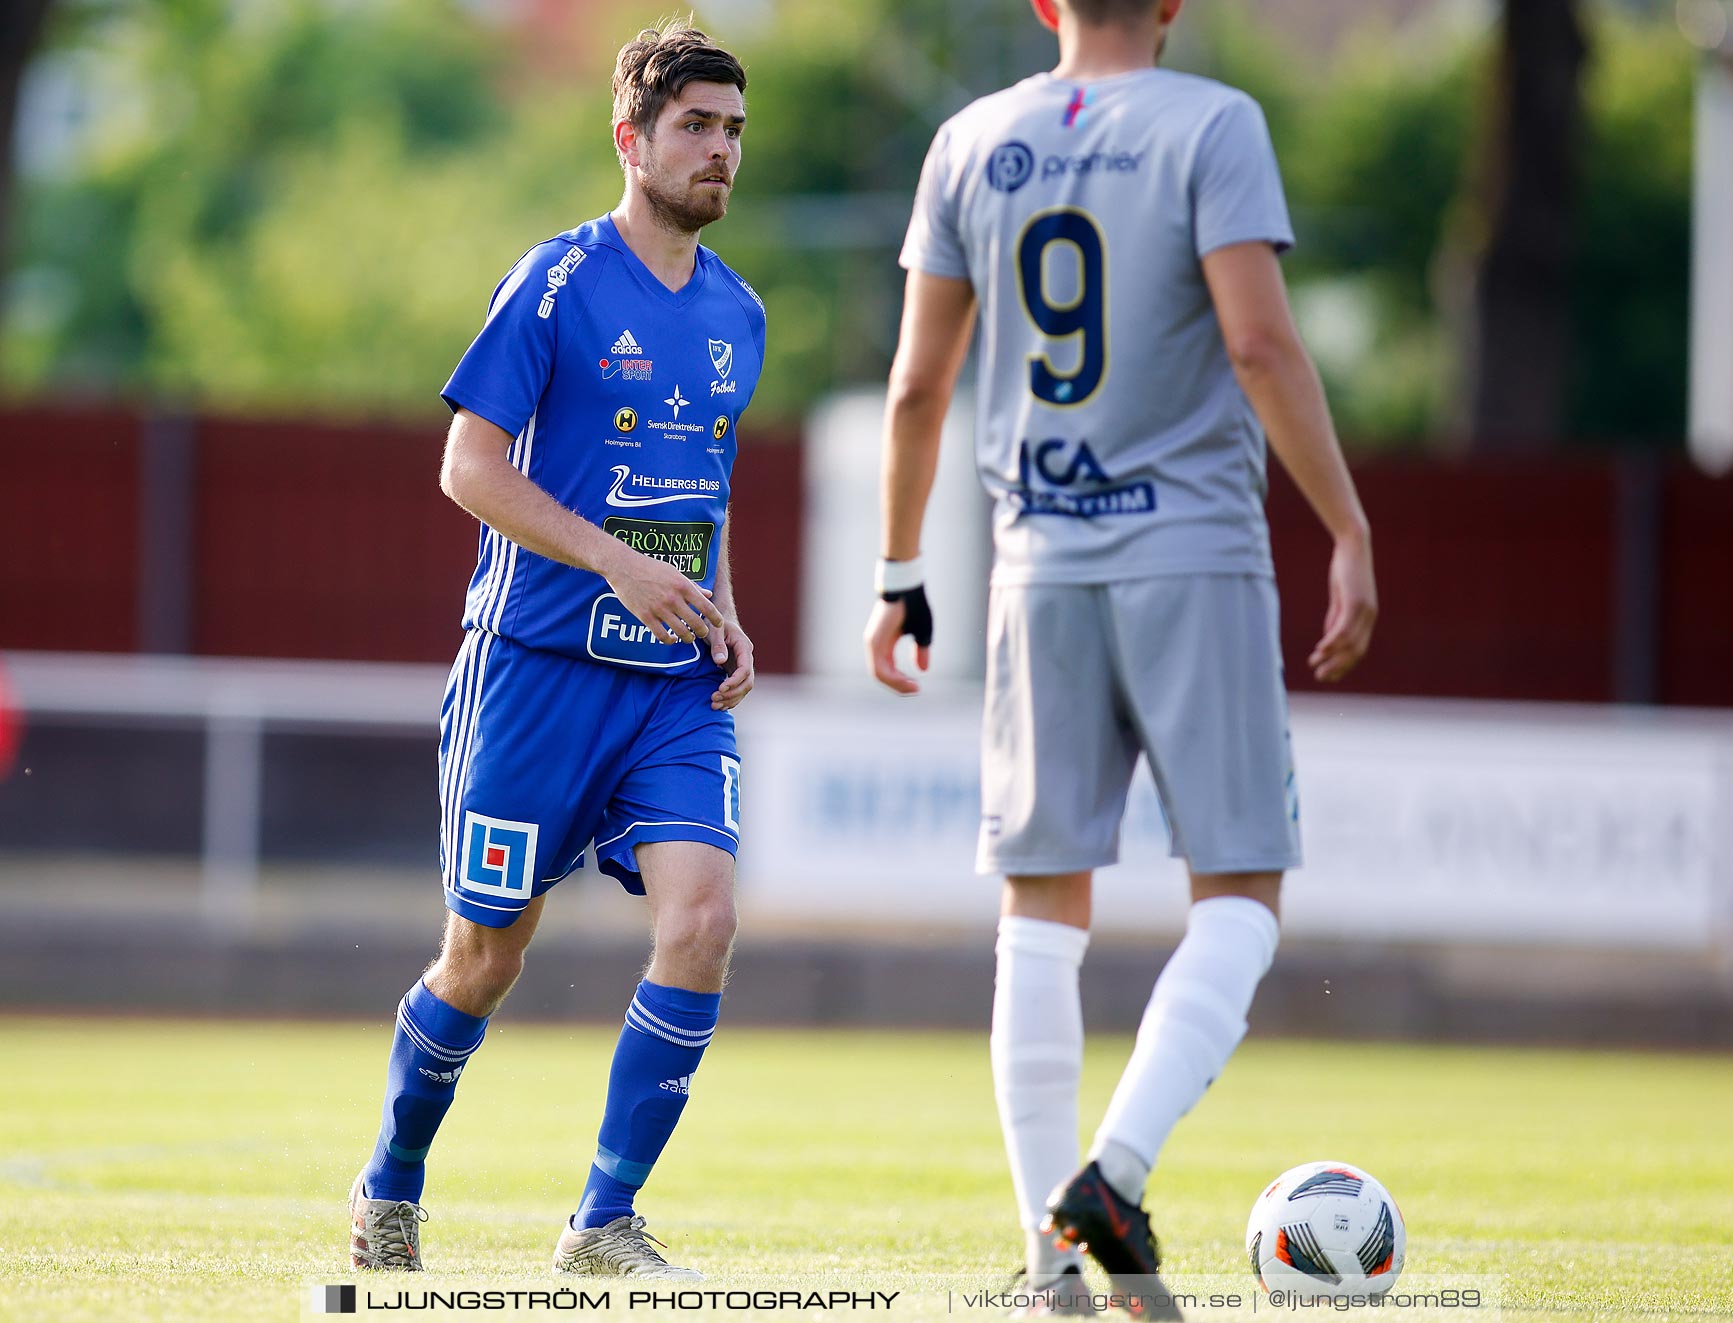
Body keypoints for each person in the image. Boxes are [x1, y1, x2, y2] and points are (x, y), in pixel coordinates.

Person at [864, 0, 1377, 1311]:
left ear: (1044, 2)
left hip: (1035, 559)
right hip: (1191, 547)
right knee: (1242, 893)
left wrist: (901, 573)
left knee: (1039, 907)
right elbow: (1258, 341)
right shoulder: (1213, 122)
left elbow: (919, 384)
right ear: (1174, 3)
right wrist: (1347, 520)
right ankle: (1116, 1169)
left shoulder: (970, 138)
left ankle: (1050, 1266)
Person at [349, 21, 763, 1280]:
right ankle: (390, 1185)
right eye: (696, 127)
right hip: (533, 670)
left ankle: (604, 1220)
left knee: (703, 919)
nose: (720, 154)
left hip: (669, 689)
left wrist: (721, 604)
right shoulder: (557, 280)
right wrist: (618, 564)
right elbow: (467, 468)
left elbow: (707, 492)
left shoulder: (741, 310)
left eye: (735, 132)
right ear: (631, 139)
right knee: (486, 956)